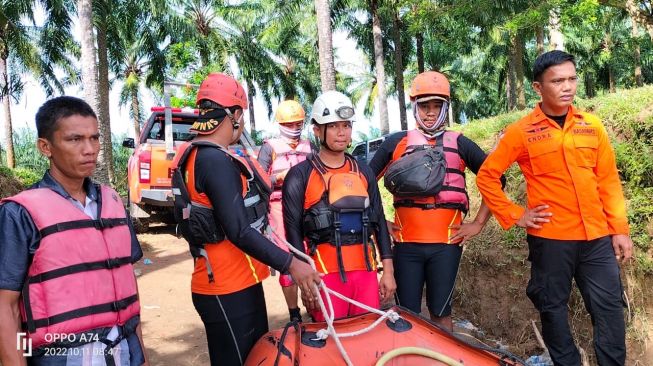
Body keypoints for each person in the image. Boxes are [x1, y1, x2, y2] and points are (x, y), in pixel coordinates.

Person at [476, 50, 632, 366]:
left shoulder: (591, 126)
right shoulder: (522, 131)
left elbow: (608, 182)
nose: (567, 87)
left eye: (572, 78)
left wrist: (619, 230)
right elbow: (487, 176)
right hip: (551, 240)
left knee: (610, 310)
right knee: (553, 309)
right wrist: (516, 214)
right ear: (538, 87)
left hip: (597, 239)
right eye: (557, 80)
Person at [171, 73, 321, 366]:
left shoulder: (198, 154)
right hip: (227, 289)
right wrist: (291, 263)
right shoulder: (213, 159)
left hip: (235, 283)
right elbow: (239, 230)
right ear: (236, 114)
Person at [0, 96, 147, 365]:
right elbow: (5, 306)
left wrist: (141, 355)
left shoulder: (112, 202)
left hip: (124, 351)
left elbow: (127, 284)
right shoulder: (19, 213)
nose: (90, 149)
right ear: (45, 147)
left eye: (94, 138)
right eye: (75, 139)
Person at [370, 71, 496, 331]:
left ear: (446, 107)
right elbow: (363, 186)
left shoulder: (460, 144)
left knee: (441, 312)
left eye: (436, 106)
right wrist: (380, 222)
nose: (429, 112)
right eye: (424, 106)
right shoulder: (396, 142)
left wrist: (478, 223)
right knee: (407, 315)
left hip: (446, 246)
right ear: (414, 106)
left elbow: (496, 181)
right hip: (406, 246)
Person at [282, 91, 396, 322]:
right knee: (331, 350)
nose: (342, 132)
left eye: (346, 125)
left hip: (365, 275)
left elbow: (380, 224)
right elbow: (293, 234)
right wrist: (305, 282)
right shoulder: (300, 176)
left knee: (366, 346)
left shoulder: (364, 172)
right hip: (324, 278)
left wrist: (389, 272)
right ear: (316, 130)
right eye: (333, 126)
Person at [257, 100, 312, 323]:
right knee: (288, 261)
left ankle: (313, 304)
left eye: (299, 122)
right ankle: (294, 313)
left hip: (307, 207)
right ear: (280, 124)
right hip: (279, 209)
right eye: (290, 124)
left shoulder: (310, 146)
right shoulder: (269, 148)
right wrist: (276, 178)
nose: (295, 127)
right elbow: (258, 181)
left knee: (309, 257)